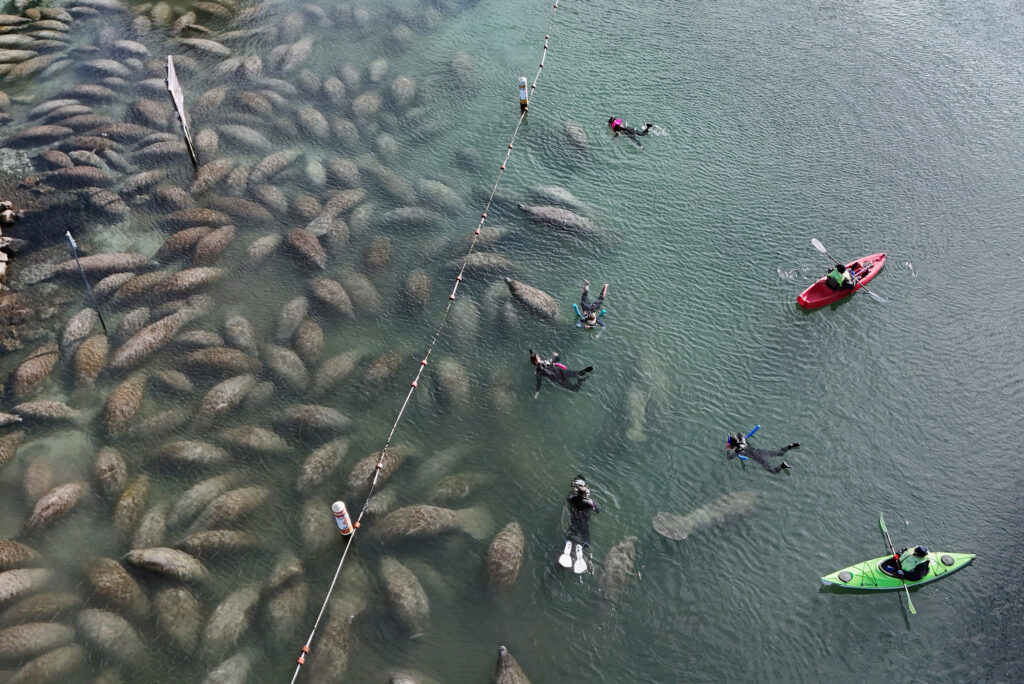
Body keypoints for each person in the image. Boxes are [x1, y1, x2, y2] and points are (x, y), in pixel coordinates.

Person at [726, 433, 799, 474]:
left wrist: (728, 450)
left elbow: (728, 458)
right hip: (762, 452)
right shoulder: (743, 441)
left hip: (760, 459)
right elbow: (740, 434)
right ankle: (789, 446)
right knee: (780, 453)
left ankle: (782, 465)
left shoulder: (738, 450)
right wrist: (734, 437)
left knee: (774, 471)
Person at [566, 475, 599, 545]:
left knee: (573, 527)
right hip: (584, 518)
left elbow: (569, 499)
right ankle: (586, 543)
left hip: (575, 517)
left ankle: (569, 540)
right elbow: (597, 511)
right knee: (585, 531)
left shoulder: (571, 497)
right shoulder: (590, 501)